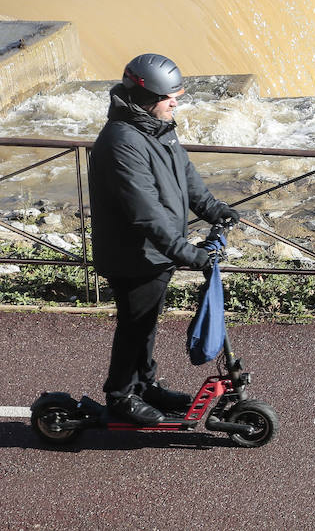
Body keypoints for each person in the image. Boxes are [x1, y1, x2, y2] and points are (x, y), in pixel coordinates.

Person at [88, 53, 239, 426]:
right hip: (134, 255)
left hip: (158, 252)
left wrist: (213, 209)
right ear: (145, 98)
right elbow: (144, 211)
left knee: (147, 321)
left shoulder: (158, 127)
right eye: (169, 97)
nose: (176, 102)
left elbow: (184, 175)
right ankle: (121, 394)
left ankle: (146, 385)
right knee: (135, 323)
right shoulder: (121, 142)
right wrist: (187, 253)